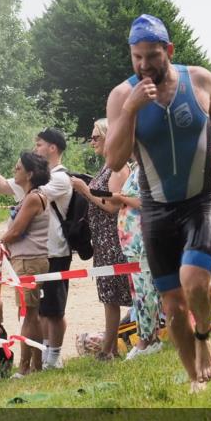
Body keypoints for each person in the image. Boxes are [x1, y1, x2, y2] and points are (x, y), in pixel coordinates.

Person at [105, 14, 211, 391]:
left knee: (194, 281)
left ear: (168, 50)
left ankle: (204, 335)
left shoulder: (197, 79)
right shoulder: (122, 96)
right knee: (171, 304)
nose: (144, 65)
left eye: (151, 56)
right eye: (136, 57)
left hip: (200, 200)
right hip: (156, 208)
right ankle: (195, 379)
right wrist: (130, 110)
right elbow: (115, 160)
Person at [0, 127, 73, 369]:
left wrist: (1, 241)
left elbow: (19, 227)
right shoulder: (34, 189)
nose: (34, 147)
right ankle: (39, 362)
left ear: (52, 147)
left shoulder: (57, 179)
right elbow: (3, 185)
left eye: (38, 144)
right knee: (37, 312)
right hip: (36, 254)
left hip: (50, 252)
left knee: (48, 310)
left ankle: (45, 359)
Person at [71, 118, 132, 359]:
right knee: (109, 296)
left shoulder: (117, 167)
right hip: (103, 239)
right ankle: (110, 348)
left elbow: (113, 205)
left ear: (110, 137)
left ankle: (112, 348)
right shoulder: (107, 166)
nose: (92, 140)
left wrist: (85, 191)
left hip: (113, 238)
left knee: (115, 294)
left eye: (97, 136)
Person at [0, 151, 51, 375]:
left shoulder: (32, 198)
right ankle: (33, 365)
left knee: (29, 315)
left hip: (29, 261)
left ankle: (26, 367)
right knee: (31, 314)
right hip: (27, 260)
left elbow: (17, 231)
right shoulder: (31, 196)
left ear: (30, 173)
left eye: (18, 167)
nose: (14, 170)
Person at [115, 162, 163, 359]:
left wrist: (120, 197)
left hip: (142, 239)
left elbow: (146, 202)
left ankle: (146, 340)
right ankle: (150, 338)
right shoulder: (136, 168)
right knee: (140, 292)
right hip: (133, 242)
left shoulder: (148, 168)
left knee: (145, 293)